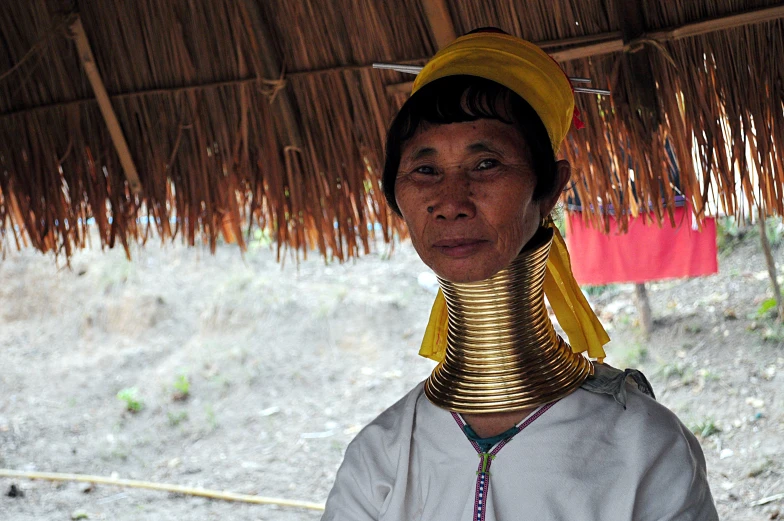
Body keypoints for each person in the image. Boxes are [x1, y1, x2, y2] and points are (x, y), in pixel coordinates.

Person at [322, 29, 718, 521]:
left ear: (549, 188)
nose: (451, 202)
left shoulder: (642, 447)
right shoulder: (381, 457)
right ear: (395, 197)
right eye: (425, 171)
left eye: (486, 164)